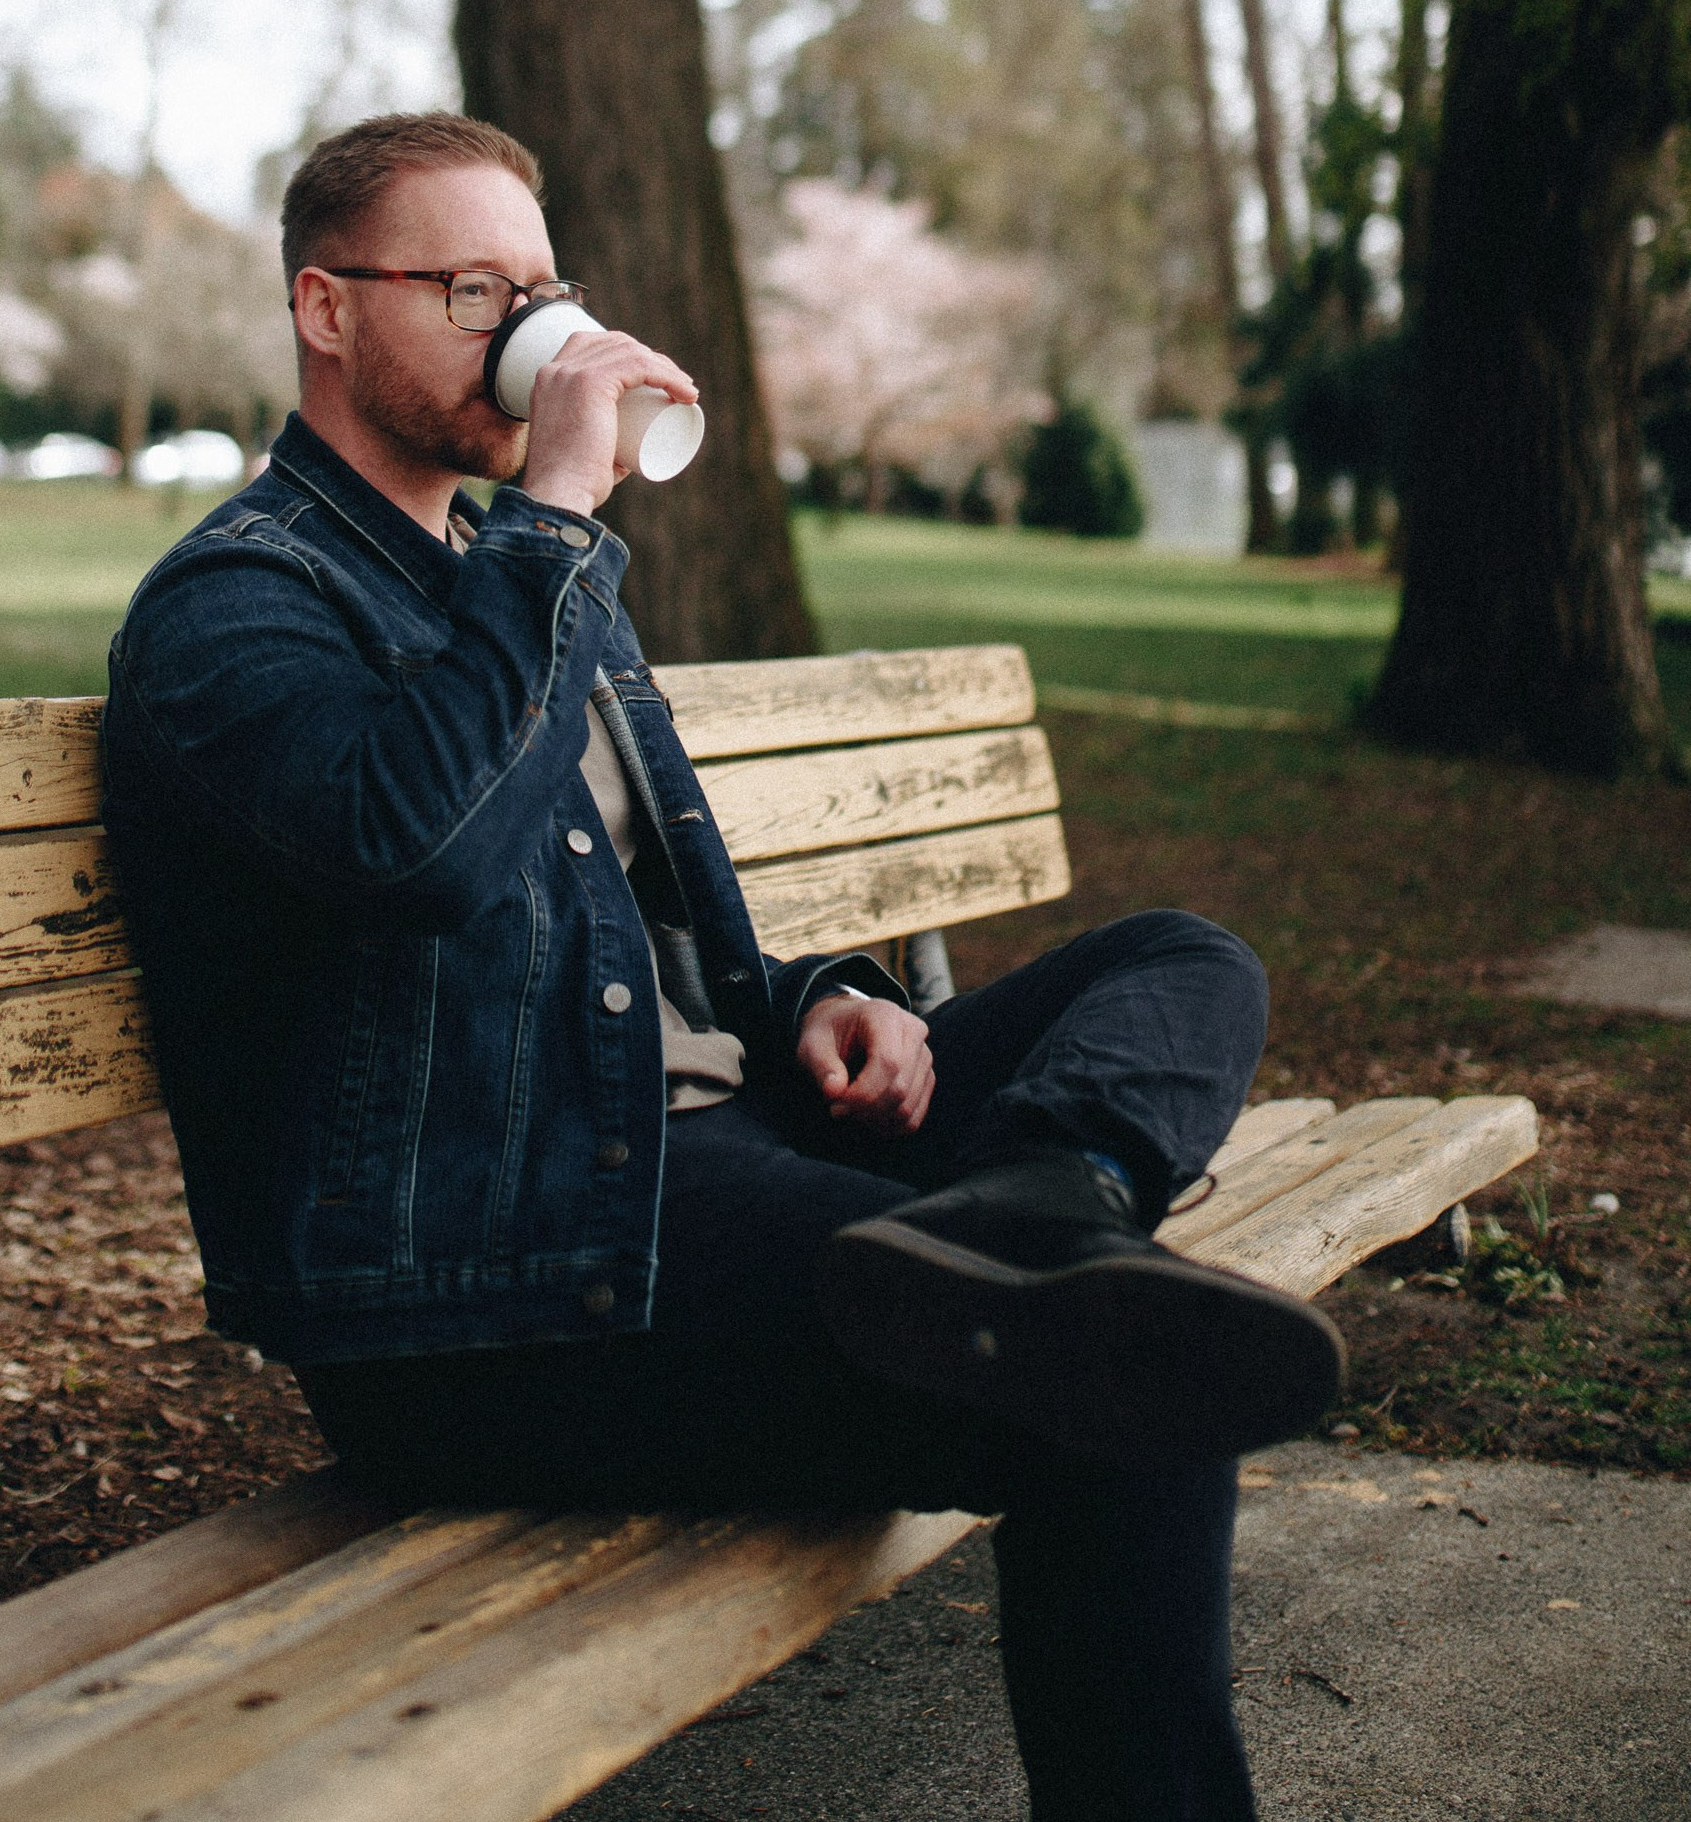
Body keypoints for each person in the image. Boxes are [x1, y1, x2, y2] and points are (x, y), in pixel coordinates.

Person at [102, 111, 1342, 1822]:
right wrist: (548, 513)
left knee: (1180, 959)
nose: (527, 334)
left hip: (712, 1159)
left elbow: (675, 932)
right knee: (1126, 1375)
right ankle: (1051, 1274)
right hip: (511, 1279)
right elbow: (426, 855)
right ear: (325, 309)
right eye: (473, 290)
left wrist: (830, 995)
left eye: (540, 290)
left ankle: (1046, 1203)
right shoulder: (235, 609)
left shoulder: (535, 583)